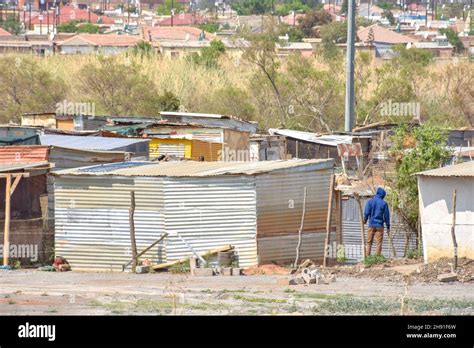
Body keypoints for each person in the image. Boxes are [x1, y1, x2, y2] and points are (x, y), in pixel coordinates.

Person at [363, 187, 390, 256]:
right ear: (383, 195)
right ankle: (377, 259)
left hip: (371, 225)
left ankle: (367, 258)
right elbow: (386, 216)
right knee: (379, 243)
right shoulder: (384, 203)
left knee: (369, 242)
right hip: (380, 226)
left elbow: (366, 212)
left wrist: (365, 220)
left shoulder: (370, 201)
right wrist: (388, 226)